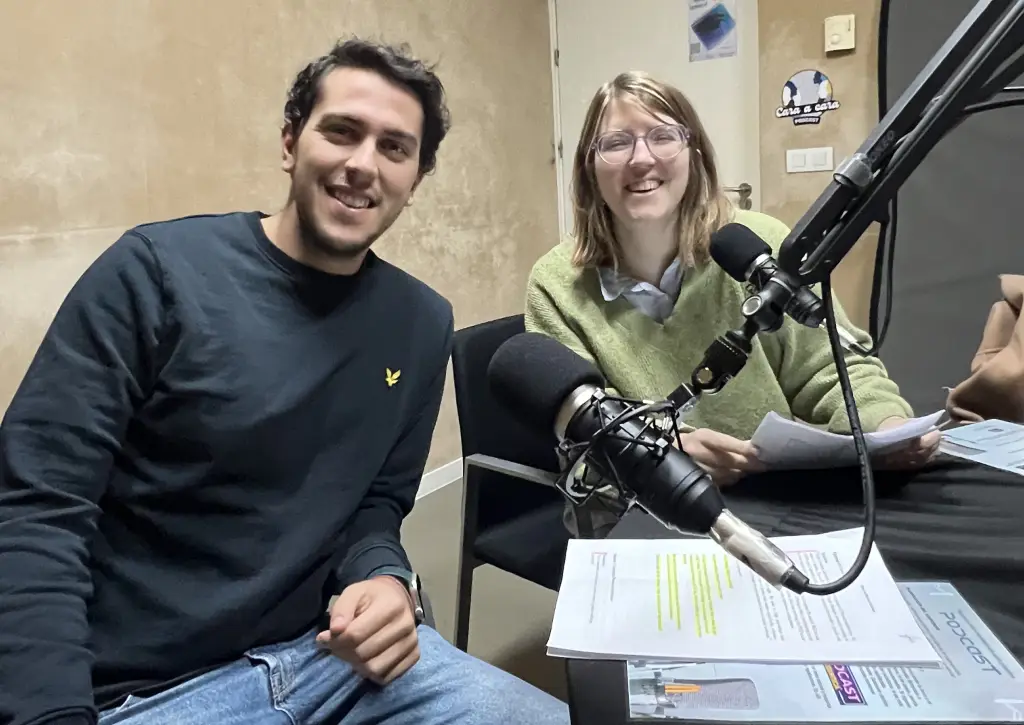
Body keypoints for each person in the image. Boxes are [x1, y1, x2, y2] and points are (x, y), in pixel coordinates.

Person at [0, 38, 569, 725]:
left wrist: (384, 575)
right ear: (290, 142)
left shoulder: (421, 323)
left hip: (331, 660)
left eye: (395, 148)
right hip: (148, 691)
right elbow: (35, 513)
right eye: (341, 131)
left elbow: (376, 505)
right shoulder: (153, 275)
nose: (363, 164)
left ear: (415, 179)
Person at [524, 71, 940, 536]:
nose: (641, 159)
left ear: (694, 155)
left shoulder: (762, 245)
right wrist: (662, 452)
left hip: (779, 501)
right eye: (616, 143)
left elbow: (832, 368)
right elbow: (580, 435)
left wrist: (887, 425)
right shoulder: (557, 284)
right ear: (588, 167)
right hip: (644, 512)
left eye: (663, 136)